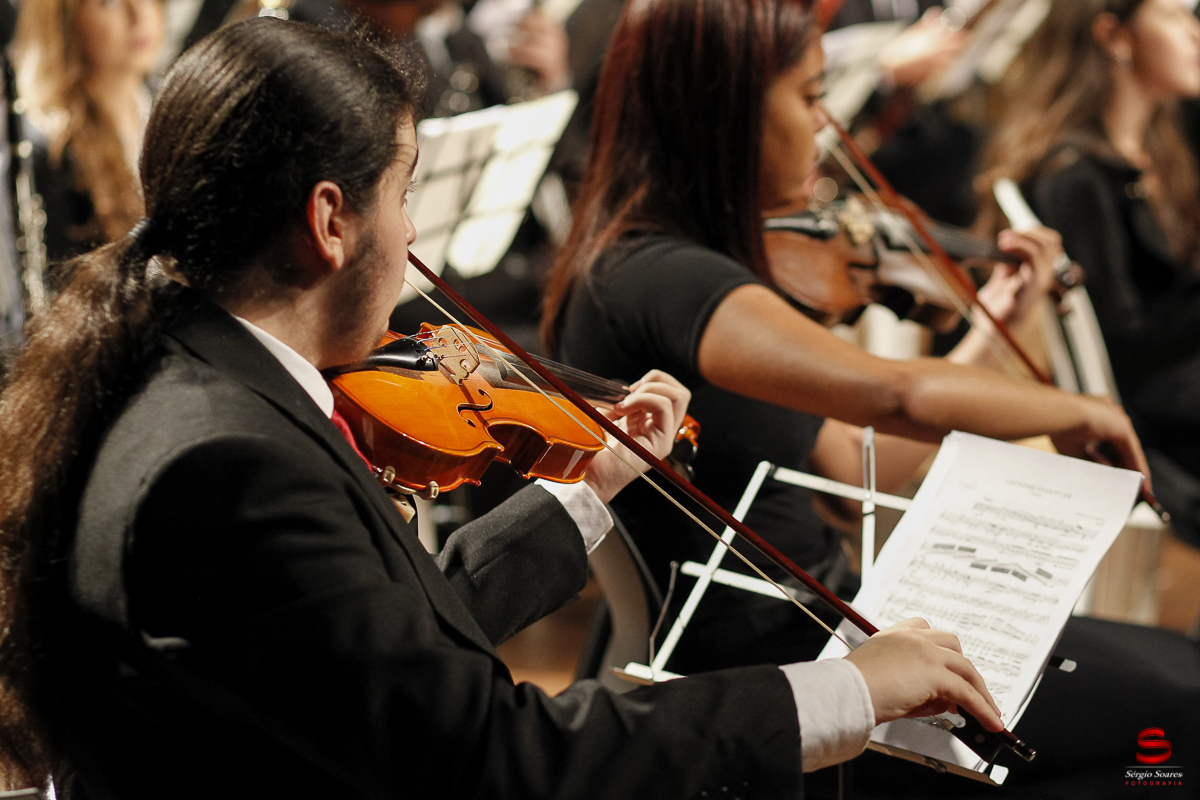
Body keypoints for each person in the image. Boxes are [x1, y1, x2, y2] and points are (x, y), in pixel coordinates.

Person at [0, 18, 1008, 798]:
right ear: (330, 220)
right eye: (405, 192)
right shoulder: (223, 462)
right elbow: (495, 757)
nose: (412, 236)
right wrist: (849, 689)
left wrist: (590, 487)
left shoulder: (185, 369)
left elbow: (379, 652)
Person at [542, 0, 1200, 794]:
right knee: (1175, 715)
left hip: (834, 619)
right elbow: (897, 391)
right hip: (784, 666)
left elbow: (865, 463)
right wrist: (1079, 409)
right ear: (730, 108)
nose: (825, 126)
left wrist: (990, 328)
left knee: (1175, 676)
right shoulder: (664, 276)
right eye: (811, 97)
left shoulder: (682, 262)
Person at [980, 0, 1200, 550]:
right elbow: (1123, 348)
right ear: (1115, 36)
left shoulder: (1155, 151)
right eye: (1176, 16)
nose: (1195, 33)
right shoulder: (1075, 175)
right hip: (1159, 428)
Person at [12, 0, 165, 269]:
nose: (139, 15)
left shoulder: (163, 102)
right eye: (110, 2)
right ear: (63, 22)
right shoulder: (50, 147)